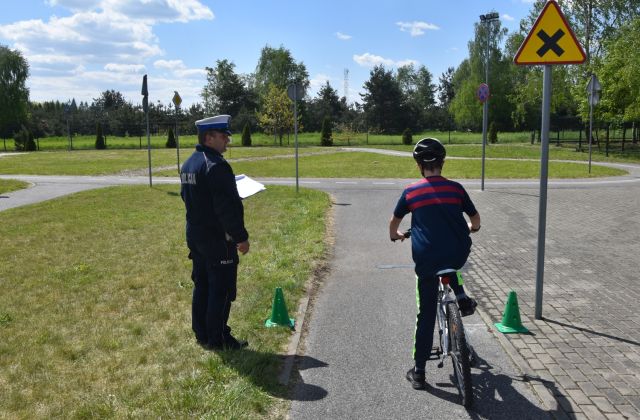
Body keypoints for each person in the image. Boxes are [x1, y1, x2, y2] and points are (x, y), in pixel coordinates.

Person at [389, 137, 481, 390]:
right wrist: (474, 227)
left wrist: (396, 235)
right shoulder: (456, 189)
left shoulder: (411, 191)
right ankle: (460, 294)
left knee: (426, 312)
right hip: (457, 252)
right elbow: (475, 218)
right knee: (452, 263)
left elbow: (394, 224)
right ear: (443, 162)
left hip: (427, 258)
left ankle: (419, 372)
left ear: (419, 165)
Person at [180, 114, 250, 350]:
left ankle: (201, 333)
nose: (227, 141)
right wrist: (240, 237)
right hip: (217, 239)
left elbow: (187, 198)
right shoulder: (216, 166)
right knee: (220, 289)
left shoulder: (190, 162)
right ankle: (218, 338)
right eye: (223, 136)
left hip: (196, 235)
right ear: (209, 138)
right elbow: (226, 208)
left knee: (202, 285)